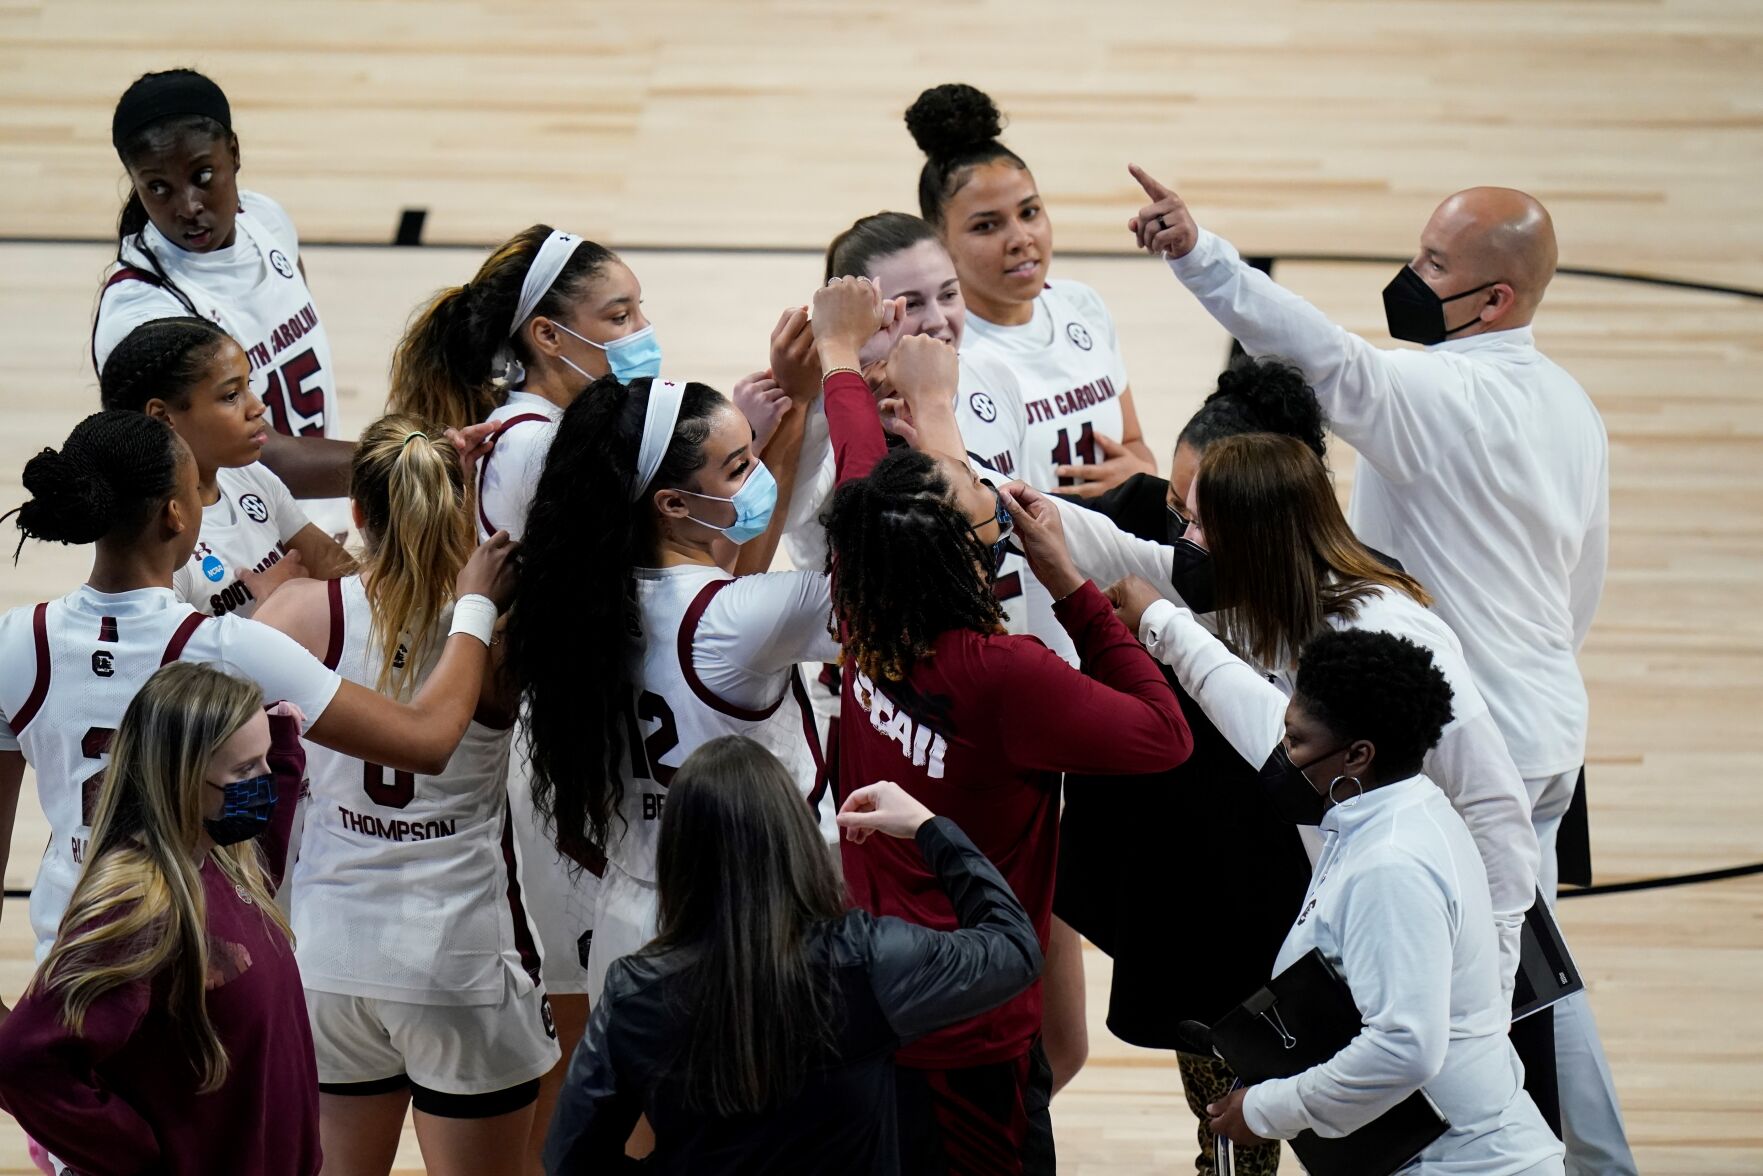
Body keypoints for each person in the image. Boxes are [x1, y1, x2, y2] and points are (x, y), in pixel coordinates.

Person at [1130, 166, 1630, 1173]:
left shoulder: (1429, 395)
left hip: (1457, 742)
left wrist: (1195, 252)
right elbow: (1584, 578)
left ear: (1493, 298)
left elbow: (1311, 350)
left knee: (1466, 1001)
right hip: (1546, 732)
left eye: (1431, 265)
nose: (1408, 275)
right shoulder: (1569, 404)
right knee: (1538, 980)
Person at [813, 273, 1193, 1175]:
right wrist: (1073, 589)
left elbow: (862, 461)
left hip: (864, 981)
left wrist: (840, 358)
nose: (997, 528)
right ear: (968, 561)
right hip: (969, 1026)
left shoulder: (863, 590)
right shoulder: (1002, 673)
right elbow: (1161, 735)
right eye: (986, 524)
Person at [0, 410, 514, 970]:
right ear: (177, 514)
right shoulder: (232, 647)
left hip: (68, 957)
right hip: (194, 964)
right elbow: (427, 740)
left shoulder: (16, 639)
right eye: (197, 486)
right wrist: (476, 604)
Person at [1048, 433, 1538, 994]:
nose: (1185, 542)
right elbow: (1117, 552)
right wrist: (992, 492)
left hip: (1453, 939)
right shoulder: (1266, 605)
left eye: (1202, 526)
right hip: (1366, 921)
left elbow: (1495, 803)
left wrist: (1497, 976)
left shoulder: (1389, 632)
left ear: (1261, 541)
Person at [390, 225, 657, 1165]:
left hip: (563, 741)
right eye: (616, 315)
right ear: (548, 335)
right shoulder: (535, 446)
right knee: (586, 1035)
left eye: (639, 311)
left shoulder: (538, 429)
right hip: (549, 754)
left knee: (589, 1032)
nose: (639, 332)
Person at [254, 416, 555, 1176]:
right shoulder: (505, 632)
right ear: (459, 509)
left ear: (356, 512)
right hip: (458, 958)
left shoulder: (299, 613)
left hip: (325, 954)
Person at [1053, 357, 1328, 1176]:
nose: (1181, 532)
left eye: (1201, 511)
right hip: (1168, 847)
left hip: (1280, 855)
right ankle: (1223, 1158)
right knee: (1207, 1054)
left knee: (1310, 1071)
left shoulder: (1334, 597)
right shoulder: (1143, 519)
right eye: (1175, 503)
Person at [542, 737, 1043, 1174]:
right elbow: (1015, 946)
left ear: (679, 857)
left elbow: (570, 1158)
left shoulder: (636, 993)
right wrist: (928, 827)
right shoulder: (868, 959)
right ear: (795, 839)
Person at [502, 369, 840, 1009]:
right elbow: (909, 596)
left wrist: (792, 409)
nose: (758, 478)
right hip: (742, 921)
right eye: (741, 466)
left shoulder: (579, 603)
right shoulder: (739, 618)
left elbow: (732, 574)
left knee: (634, 1114)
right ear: (674, 504)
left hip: (629, 919)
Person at [1205, 629, 1564, 1175]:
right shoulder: (1397, 813)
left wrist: (1265, 1111)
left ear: (1357, 755)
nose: (1282, 755)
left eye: (1296, 741)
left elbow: (1404, 1046)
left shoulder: (1392, 865)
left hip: (1461, 1164)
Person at [0, 662, 320, 1176]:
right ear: (182, 779)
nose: (263, 783)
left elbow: (261, 864)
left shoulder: (215, 856)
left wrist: (280, 750)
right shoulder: (140, 904)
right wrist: (146, 1159)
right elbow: (22, 1062)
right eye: (244, 771)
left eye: (262, 764)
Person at [93, 68, 354, 532]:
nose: (188, 205)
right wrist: (403, 463)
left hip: (322, 511)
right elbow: (260, 455)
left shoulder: (265, 220)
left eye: (203, 175)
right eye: (158, 188)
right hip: (239, 554)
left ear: (233, 152)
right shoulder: (145, 312)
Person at [905, 83, 1157, 495]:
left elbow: (1134, 445)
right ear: (939, 239)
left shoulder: (1082, 304)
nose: (1021, 237)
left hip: (1117, 555)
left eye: (1030, 212)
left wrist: (1139, 472)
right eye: (986, 225)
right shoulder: (941, 353)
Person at [100, 315, 354, 618]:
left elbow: (341, 575)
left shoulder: (250, 476)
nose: (257, 407)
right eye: (231, 395)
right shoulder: (151, 545)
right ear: (162, 417)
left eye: (248, 386)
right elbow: (168, 664)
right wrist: (278, 610)